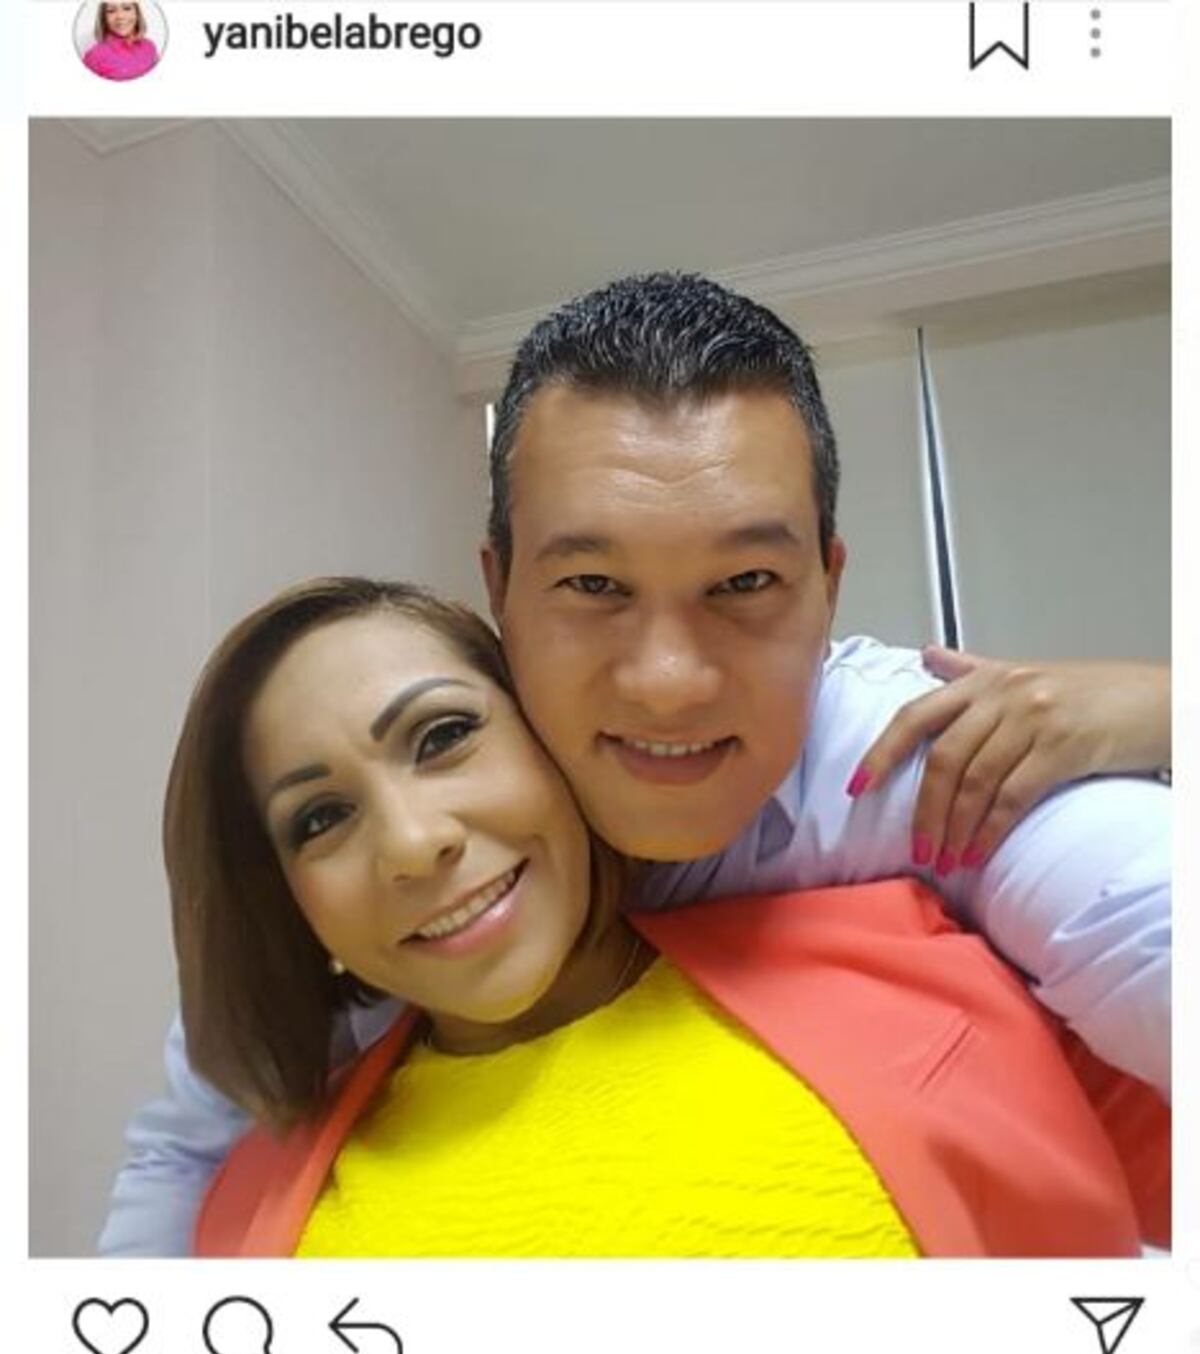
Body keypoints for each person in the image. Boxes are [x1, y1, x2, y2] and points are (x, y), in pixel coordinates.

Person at [102, 272, 1170, 1255]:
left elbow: (1135, 911)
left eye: (744, 582)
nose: (667, 683)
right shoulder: (388, 901)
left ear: (829, 586)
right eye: (593, 587)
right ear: (500, 592)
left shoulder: (921, 751)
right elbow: (190, 1139)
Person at [169, 578, 1165, 1259]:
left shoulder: (924, 970)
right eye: (320, 818)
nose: (412, 842)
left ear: (553, 739)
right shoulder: (243, 1213)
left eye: (444, 736)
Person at [82, 2, 160, 81]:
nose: (120, 16)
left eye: (127, 8)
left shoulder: (150, 47)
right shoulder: (94, 56)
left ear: (137, 13)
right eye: (111, 11)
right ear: (103, 18)